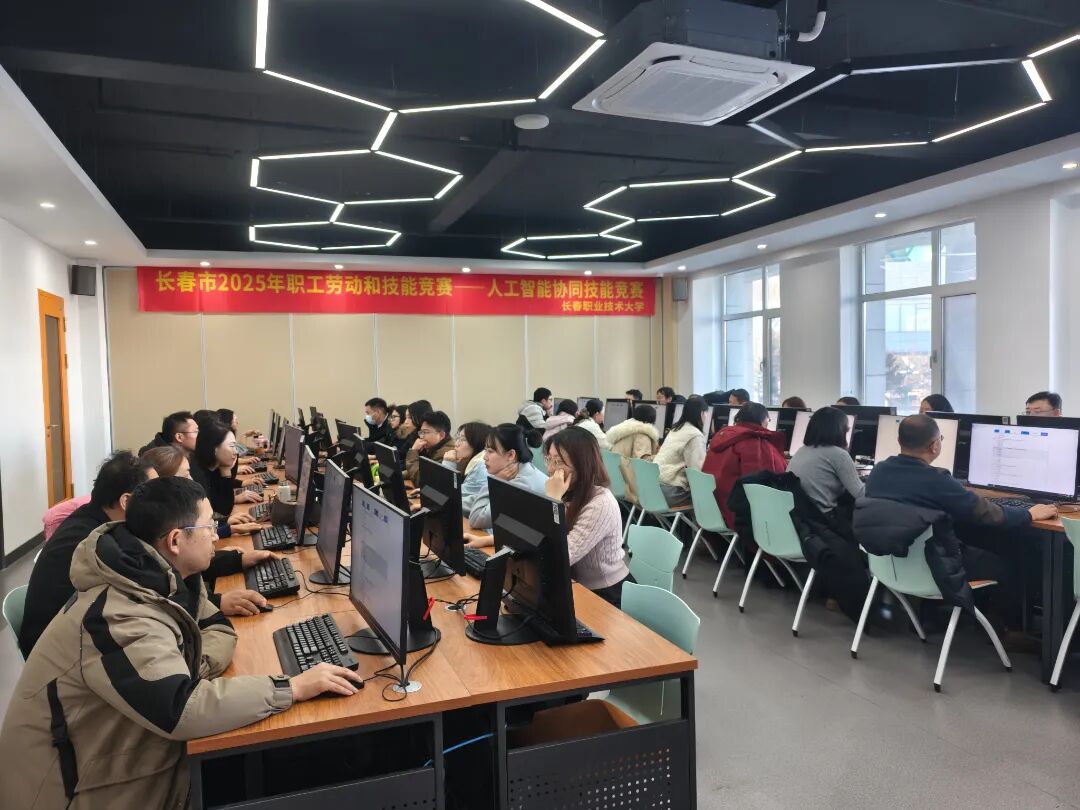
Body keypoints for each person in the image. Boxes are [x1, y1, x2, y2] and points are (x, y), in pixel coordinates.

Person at [0, 477, 364, 810]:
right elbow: (182, 709)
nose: (216, 536)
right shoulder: (118, 614)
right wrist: (291, 687)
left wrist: (191, 666)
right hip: (76, 791)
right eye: (208, 527)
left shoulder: (163, 575)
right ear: (175, 540)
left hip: (119, 753)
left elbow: (217, 626)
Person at [858, 415, 1055, 634]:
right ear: (934, 446)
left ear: (899, 441)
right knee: (1013, 562)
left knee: (975, 540)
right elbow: (987, 513)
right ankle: (1011, 632)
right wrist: (1028, 514)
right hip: (935, 566)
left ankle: (946, 619)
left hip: (894, 566)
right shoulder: (936, 479)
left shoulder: (879, 471)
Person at [21, 452, 156, 656]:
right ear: (126, 501)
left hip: (72, 634)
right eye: (155, 496)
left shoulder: (93, 518)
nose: (161, 504)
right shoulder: (94, 540)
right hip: (57, 652)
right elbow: (143, 587)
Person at [544, 429, 632, 607]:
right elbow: (538, 534)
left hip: (607, 592)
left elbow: (561, 557)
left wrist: (552, 501)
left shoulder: (600, 504)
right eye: (549, 459)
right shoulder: (568, 492)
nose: (550, 469)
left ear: (582, 464)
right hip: (577, 584)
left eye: (558, 462)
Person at [704, 402, 787, 527]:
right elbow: (763, 484)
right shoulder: (754, 443)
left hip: (714, 508)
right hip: (736, 514)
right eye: (768, 420)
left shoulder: (722, 436)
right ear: (762, 420)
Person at [467, 424, 548, 540]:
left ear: (511, 455)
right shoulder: (522, 470)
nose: (485, 457)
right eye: (485, 450)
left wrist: (495, 481)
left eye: (490, 451)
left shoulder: (521, 484)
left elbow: (476, 519)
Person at [788, 407, 864, 516]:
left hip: (800, 516)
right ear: (840, 430)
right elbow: (860, 494)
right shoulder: (838, 454)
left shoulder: (801, 451)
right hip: (823, 518)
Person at [189, 418, 261, 527]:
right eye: (231, 446)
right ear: (214, 449)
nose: (236, 451)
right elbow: (198, 525)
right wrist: (225, 525)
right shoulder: (197, 477)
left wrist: (226, 471)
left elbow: (224, 509)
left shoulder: (214, 468)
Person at [652, 399, 708, 507]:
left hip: (653, 488)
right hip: (670, 493)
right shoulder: (695, 435)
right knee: (708, 499)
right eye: (706, 413)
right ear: (701, 414)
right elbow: (697, 472)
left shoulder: (675, 429)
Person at [604, 403, 660, 503]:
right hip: (632, 486)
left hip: (618, 483)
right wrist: (661, 456)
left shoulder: (623, 431)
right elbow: (643, 462)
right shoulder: (642, 435)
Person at [443, 421, 492, 516]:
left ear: (477, 442)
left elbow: (451, 497)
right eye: (458, 438)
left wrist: (448, 464)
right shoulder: (471, 462)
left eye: (463, 439)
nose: (456, 444)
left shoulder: (482, 468)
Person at [405, 410, 453, 483]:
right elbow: (422, 469)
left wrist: (413, 451)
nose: (421, 436)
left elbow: (422, 480)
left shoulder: (445, 454)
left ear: (441, 435)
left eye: (425, 432)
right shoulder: (434, 448)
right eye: (421, 432)